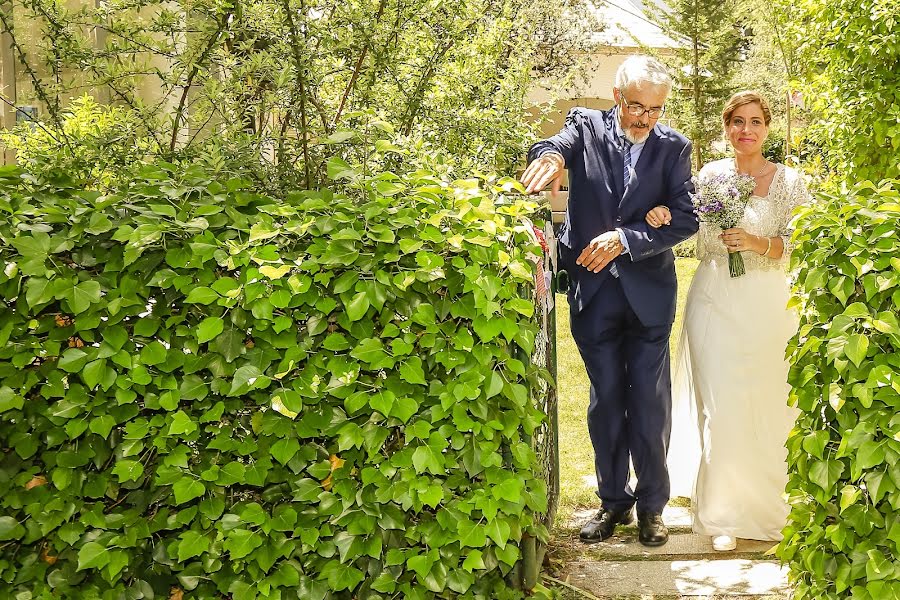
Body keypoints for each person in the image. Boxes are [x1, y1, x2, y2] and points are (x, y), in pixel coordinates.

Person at [520, 55, 698, 546]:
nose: (645, 118)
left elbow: (685, 219)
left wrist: (627, 238)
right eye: (637, 106)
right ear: (618, 97)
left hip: (649, 297)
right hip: (593, 293)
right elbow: (555, 144)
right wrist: (551, 158)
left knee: (648, 403)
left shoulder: (675, 148)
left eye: (656, 110)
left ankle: (651, 509)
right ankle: (612, 502)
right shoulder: (586, 124)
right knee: (605, 403)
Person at [647, 90, 810, 552]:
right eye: (737, 122)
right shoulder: (709, 176)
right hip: (714, 297)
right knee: (719, 407)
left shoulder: (790, 182)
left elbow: (802, 243)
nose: (746, 130)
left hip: (768, 302)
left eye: (755, 122)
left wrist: (758, 243)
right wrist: (660, 215)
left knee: (768, 402)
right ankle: (721, 517)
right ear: (726, 127)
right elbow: (684, 222)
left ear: (768, 127)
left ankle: (774, 509)